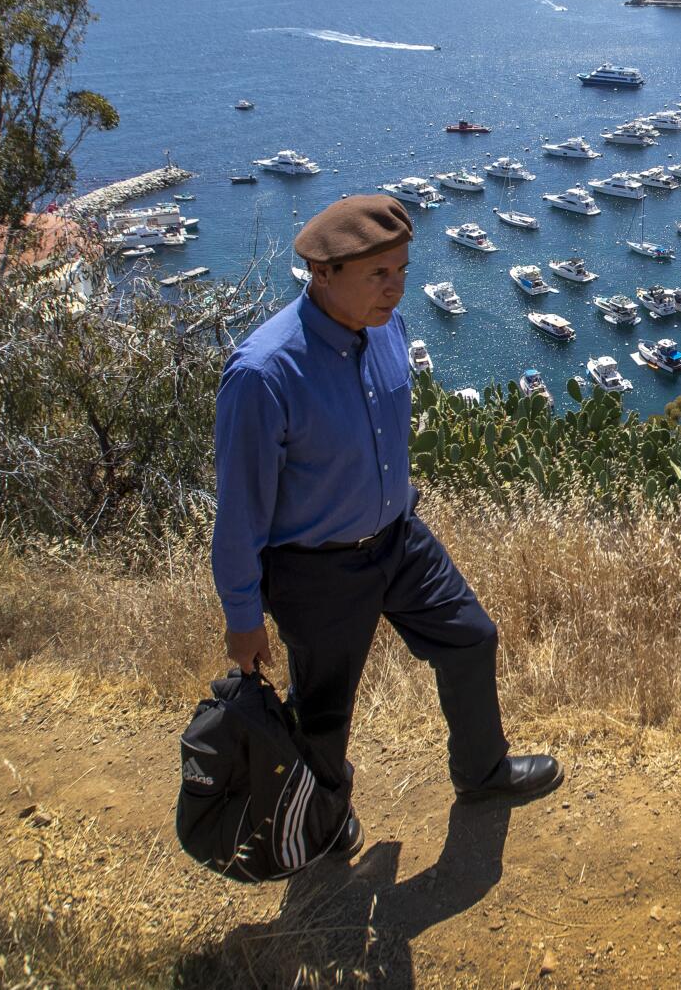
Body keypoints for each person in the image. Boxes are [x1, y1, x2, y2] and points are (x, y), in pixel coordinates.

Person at [211, 194, 560, 858]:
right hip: (317, 569)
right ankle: (320, 825)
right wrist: (241, 613)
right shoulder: (263, 374)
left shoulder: (389, 329)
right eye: (379, 275)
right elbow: (241, 508)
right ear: (322, 273)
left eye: (402, 270)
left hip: (399, 538)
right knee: (322, 712)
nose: (396, 288)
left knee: (471, 638)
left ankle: (482, 772)